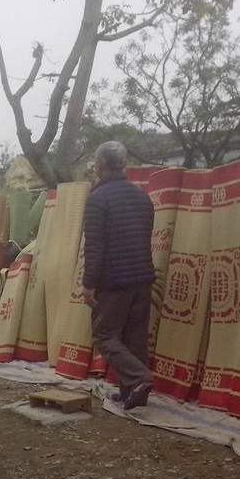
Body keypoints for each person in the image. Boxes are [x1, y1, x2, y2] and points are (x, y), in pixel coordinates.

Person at [81, 141, 156, 410]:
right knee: (134, 338)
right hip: (143, 278)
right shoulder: (142, 197)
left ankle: (139, 379)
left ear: (100, 165)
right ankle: (133, 394)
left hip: (113, 281)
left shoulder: (97, 199)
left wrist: (89, 284)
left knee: (103, 335)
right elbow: (145, 238)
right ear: (123, 165)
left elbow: (95, 246)